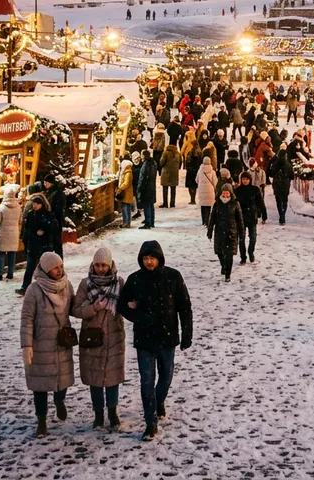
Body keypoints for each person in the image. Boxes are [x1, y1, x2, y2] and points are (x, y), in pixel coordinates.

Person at [118, 241, 192, 441]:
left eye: (152, 258)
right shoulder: (135, 280)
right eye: (145, 258)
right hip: (145, 339)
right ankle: (150, 423)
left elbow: (184, 307)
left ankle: (159, 402)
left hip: (168, 337)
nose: (149, 262)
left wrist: (187, 335)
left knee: (166, 377)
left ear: (159, 258)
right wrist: (136, 315)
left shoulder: (173, 277)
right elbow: (122, 305)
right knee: (146, 380)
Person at [20, 252, 75, 438]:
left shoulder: (67, 285)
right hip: (41, 344)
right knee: (40, 386)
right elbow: (27, 319)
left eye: (61, 266)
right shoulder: (34, 290)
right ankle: (41, 421)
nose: (59, 270)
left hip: (62, 342)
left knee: (63, 378)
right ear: (45, 269)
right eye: (55, 267)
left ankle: (60, 401)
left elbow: (75, 308)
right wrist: (26, 345)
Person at [73, 247, 125, 431]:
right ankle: (98, 414)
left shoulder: (119, 283)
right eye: (97, 265)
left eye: (104, 265)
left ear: (110, 264)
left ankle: (113, 412)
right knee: (95, 378)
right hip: (92, 337)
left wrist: (132, 305)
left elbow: (125, 305)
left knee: (112, 377)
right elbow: (76, 309)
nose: (100, 269)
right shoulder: (85, 284)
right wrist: (93, 307)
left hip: (113, 337)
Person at [18, 195, 61, 295]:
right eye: (33, 204)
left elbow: (53, 228)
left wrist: (44, 231)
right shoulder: (30, 214)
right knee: (30, 267)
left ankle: (49, 286)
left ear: (42, 204)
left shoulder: (48, 215)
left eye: (37, 204)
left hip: (44, 245)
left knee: (46, 268)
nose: (34, 206)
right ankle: (25, 287)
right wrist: (33, 233)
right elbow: (28, 228)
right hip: (33, 245)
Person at [207, 184, 244, 281]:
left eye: (227, 192)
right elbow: (212, 218)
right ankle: (223, 266)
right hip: (219, 231)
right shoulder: (217, 204)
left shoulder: (235, 204)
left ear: (230, 193)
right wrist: (209, 231)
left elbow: (240, 220)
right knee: (219, 252)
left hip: (231, 232)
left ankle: (228, 274)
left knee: (229, 254)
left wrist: (241, 233)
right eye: (224, 192)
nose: (225, 194)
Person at [234, 171, 266, 265]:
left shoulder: (255, 190)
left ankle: (251, 252)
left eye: (247, 179)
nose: (245, 181)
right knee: (241, 238)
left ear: (250, 180)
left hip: (252, 216)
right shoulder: (237, 190)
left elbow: (260, 202)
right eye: (243, 179)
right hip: (241, 217)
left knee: (253, 238)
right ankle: (243, 257)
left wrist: (264, 213)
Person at [0, 183, 22, 281]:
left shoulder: (2, 207)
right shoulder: (18, 206)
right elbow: (20, 220)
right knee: (12, 254)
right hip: (14, 232)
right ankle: (10, 273)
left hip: (3, 233)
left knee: (1, 254)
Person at [270, 145, 294, 225]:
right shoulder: (288, 165)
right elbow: (292, 176)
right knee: (284, 201)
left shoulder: (275, 164)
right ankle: (283, 215)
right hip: (285, 185)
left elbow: (271, 174)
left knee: (279, 201)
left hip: (277, 185)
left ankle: (281, 215)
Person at [137, 150, 158, 229]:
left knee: (146, 205)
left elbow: (143, 178)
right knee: (151, 205)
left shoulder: (146, 165)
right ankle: (151, 221)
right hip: (152, 186)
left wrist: (140, 188)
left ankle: (148, 223)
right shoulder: (153, 163)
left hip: (146, 188)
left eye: (142, 155)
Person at [196, 156, 218, 227]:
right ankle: (207, 220)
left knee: (203, 206)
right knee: (208, 206)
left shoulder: (200, 170)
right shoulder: (212, 171)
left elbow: (197, 180)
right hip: (210, 190)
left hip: (201, 190)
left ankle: (203, 221)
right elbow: (215, 182)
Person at [158, 142, 181, 209]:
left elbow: (162, 162)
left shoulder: (165, 153)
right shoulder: (178, 153)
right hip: (174, 173)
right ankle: (172, 203)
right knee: (173, 189)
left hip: (166, 173)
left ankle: (165, 203)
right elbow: (180, 163)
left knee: (165, 188)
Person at [115, 155, 135, 227]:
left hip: (126, 193)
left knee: (125, 208)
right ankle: (127, 222)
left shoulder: (128, 173)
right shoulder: (127, 172)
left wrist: (120, 188)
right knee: (126, 207)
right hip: (126, 193)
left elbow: (126, 183)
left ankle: (126, 223)